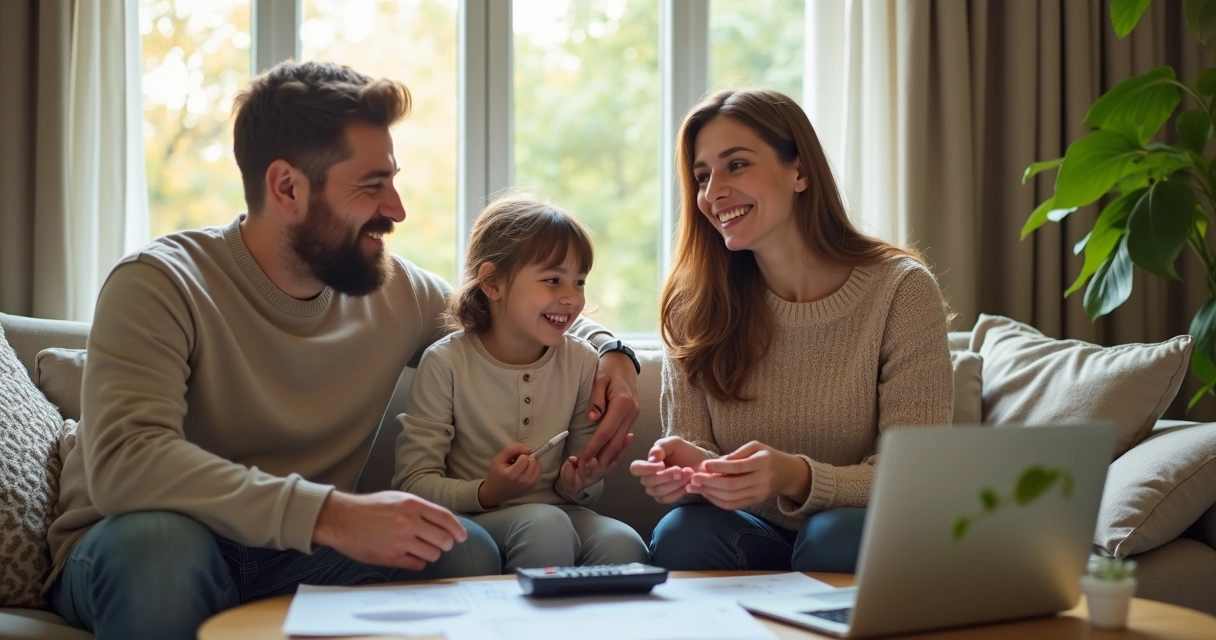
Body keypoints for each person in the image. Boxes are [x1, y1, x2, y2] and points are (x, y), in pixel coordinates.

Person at [43, 61, 640, 640]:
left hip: (297, 555)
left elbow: (503, 314)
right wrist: (332, 514)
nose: (398, 209)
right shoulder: (160, 281)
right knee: (163, 549)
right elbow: (129, 463)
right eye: (372, 185)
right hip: (135, 544)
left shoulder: (393, 290)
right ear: (287, 187)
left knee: (462, 550)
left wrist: (612, 351)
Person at [630, 88, 953, 573]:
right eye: (702, 176)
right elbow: (694, 448)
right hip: (745, 533)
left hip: (855, 530)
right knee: (681, 534)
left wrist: (795, 477)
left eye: (736, 165)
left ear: (799, 171)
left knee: (832, 533)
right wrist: (687, 472)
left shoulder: (900, 291)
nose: (712, 191)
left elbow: (917, 476)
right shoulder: (694, 305)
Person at [395, 195, 649, 571]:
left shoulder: (582, 362)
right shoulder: (445, 362)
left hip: (560, 513)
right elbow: (413, 485)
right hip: (476, 517)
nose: (571, 298)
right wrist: (487, 491)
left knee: (624, 545)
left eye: (579, 282)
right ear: (493, 283)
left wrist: (581, 480)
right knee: (546, 526)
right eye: (553, 280)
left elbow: (581, 493)